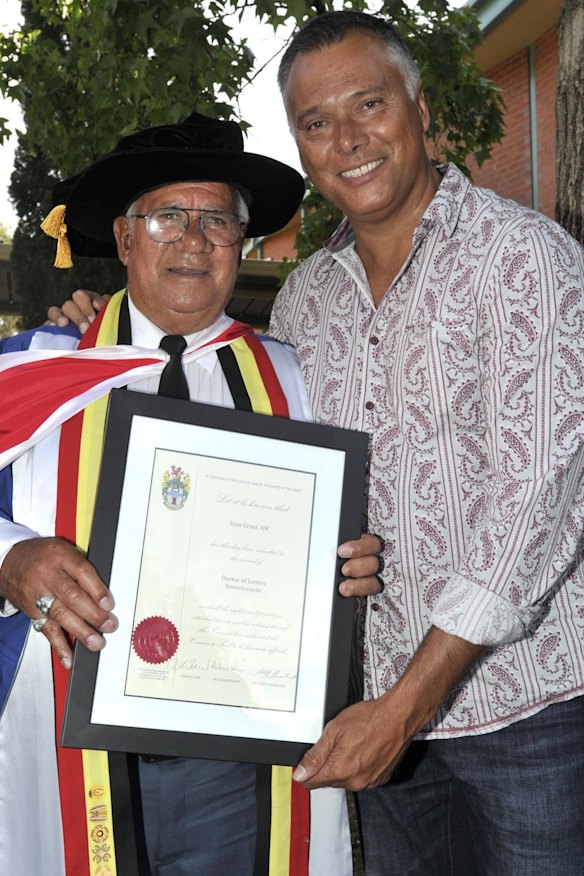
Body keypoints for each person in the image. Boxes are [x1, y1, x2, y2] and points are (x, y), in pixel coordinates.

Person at [54, 11, 584, 875]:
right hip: (366, 712)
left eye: (368, 104)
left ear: (417, 109)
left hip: (519, 711)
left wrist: (400, 711)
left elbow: (538, 502)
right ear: (301, 149)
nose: (348, 139)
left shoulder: (524, 260)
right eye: (315, 123)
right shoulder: (306, 306)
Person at [0, 110, 381, 876]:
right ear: (125, 234)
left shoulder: (302, 378)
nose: (194, 239)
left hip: (246, 762)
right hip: (62, 736)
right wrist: (11, 559)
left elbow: (344, 540)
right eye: (168, 216)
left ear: (240, 243)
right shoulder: (29, 367)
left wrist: (356, 564)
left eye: (217, 220)